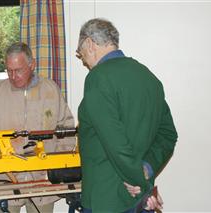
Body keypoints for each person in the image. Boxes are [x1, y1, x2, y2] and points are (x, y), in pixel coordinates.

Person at [76, 18, 178, 213]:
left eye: (81, 55)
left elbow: (116, 143)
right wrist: (146, 169)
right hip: (138, 201)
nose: (84, 62)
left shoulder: (97, 78)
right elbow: (168, 135)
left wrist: (140, 184)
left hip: (106, 200)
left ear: (89, 44)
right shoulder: (148, 77)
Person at [0, 42, 76, 213]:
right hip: (6, 179)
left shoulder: (50, 90)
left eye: (18, 70)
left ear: (32, 65)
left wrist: (60, 167)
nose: (13, 76)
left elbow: (67, 127)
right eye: (9, 70)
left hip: (43, 180)